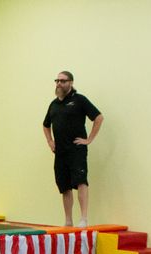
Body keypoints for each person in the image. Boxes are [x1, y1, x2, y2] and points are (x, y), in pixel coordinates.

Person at [42, 71, 104, 227]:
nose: (59, 84)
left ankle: (83, 218)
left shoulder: (79, 100)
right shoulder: (54, 104)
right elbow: (45, 125)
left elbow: (98, 117)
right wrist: (50, 141)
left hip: (76, 150)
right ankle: (68, 221)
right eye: (57, 81)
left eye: (63, 81)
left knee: (81, 182)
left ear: (71, 82)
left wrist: (89, 139)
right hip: (60, 152)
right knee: (64, 186)